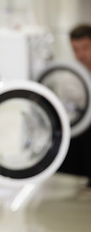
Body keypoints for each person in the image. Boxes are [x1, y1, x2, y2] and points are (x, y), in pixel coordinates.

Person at [58, 24, 91, 189]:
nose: (81, 54)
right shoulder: (71, 75)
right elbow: (70, 107)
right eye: (76, 50)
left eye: (85, 48)